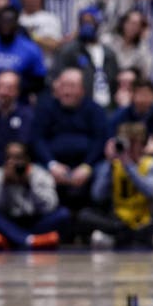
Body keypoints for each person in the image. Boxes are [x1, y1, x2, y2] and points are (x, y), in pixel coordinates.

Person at [76, 120, 153, 248]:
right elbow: (97, 195)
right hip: (117, 221)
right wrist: (110, 163)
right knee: (84, 216)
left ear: (142, 144)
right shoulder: (112, 164)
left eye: (133, 143)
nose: (129, 148)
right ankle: (143, 239)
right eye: (126, 143)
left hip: (145, 221)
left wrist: (129, 166)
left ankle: (116, 240)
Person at [30, 68, 109, 209]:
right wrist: (52, 164)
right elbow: (37, 139)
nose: (67, 92)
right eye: (63, 86)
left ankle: (99, 217)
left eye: (72, 87)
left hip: (87, 165)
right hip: (52, 165)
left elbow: (100, 140)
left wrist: (86, 166)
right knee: (35, 172)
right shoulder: (45, 108)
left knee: (105, 170)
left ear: (82, 90)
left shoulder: (95, 110)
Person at [0, 141, 69, 250]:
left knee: (63, 214)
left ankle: (13, 239)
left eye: (17, 158)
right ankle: (29, 240)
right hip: (9, 221)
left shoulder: (40, 175)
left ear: (27, 159)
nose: (13, 162)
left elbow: (50, 206)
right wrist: (4, 185)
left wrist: (29, 184)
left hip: (35, 221)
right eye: (9, 158)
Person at [110, 76, 153, 162]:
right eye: (139, 94)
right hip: (124, 158)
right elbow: (110, 144)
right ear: (132, 95)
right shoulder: (120, 115)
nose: (143, 99)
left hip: (152, 159)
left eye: (146, 94)